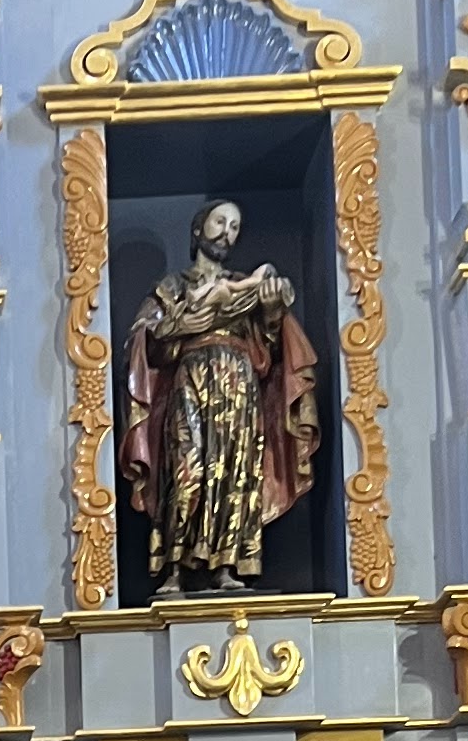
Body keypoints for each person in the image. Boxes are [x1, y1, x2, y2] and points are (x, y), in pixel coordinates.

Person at [119, 195, 322, 597]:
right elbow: (144, 342)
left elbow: (270, 350)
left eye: (234, 227)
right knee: (187, 469)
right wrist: (180, 325)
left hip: (239, 385)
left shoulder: (246, 286)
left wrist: (271, 313)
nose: (226, 233)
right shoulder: (172, 287)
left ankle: (227, 566)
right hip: (192, 381)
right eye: (219, 223)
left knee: (235, 470)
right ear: (198, 229)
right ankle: (174, 567)